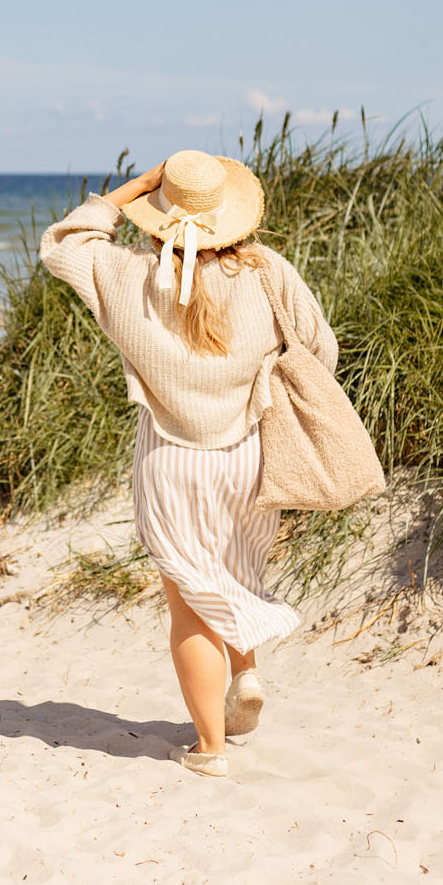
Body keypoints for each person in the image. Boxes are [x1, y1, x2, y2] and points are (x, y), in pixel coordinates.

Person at [40, 150, 338, 777]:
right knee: (234, 571)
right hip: (249, 454)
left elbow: (61, 245)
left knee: (189, 602)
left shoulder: (127, 277)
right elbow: (319, 349)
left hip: (172, 461)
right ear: (228, 214)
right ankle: (246, 672)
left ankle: (210, 750)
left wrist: (130, 192)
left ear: (161, 211)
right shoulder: (267, 271)